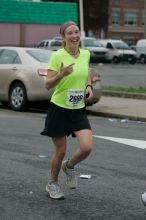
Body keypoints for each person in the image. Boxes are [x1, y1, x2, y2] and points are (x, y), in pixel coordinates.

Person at [41, 21, 93, 200]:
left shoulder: (85, 54)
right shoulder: (57, 56)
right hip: (59, 109)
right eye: (70, 33)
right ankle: (52, 184)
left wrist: (88, 85)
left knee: (86, 147)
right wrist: (61, 74)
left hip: (78, 108)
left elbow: (86, 71)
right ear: (63, 37)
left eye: (77, 32)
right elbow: (47, 84)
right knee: (60, 150)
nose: (74, 36)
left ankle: (69, 166)